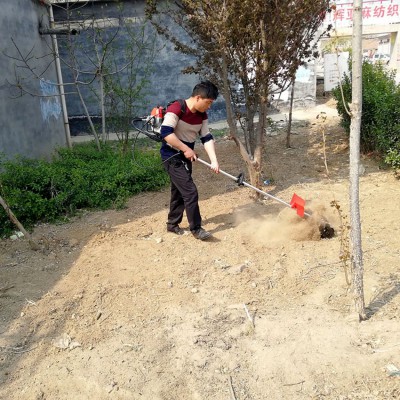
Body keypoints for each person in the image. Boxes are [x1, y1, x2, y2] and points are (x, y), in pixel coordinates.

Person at [160, 80, 220, 240]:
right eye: (208, 102)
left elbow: (206, 137)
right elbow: (165, 132)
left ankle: (172, 225)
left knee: (179, 191)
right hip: (171, 156)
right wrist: (186, 149)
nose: (209, 106)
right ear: (198, 98)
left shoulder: (202, 115)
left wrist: (214, 161)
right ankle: (197, 229)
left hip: (186, 156)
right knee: (190, 191)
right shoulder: (177, 107)